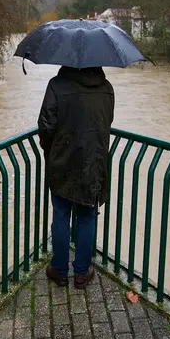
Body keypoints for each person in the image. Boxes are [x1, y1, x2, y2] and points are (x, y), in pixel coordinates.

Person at [37, 66, 115, 289]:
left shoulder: (56, 85)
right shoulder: (107, 89)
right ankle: (82, 273)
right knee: (87, 216)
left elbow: (46, 127)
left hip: (62, 163)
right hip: (93, 163)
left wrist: (51, 153)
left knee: (61, 216)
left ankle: (59, 271)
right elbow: (106, 122)